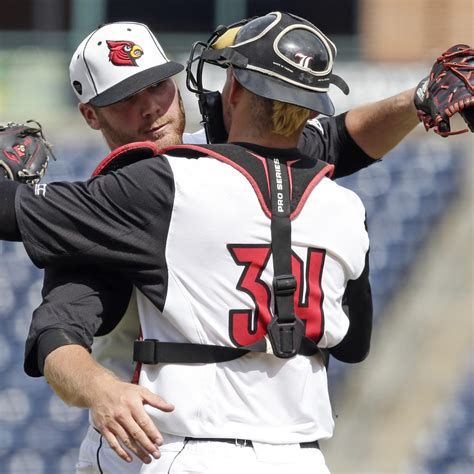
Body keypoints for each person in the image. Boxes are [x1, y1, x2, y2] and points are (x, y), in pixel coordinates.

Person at [13, 15, 428, 473]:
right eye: (125, 99)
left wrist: (420, 99)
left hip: (207, 448)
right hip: (164, 438)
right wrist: (98, 388)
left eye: (157, 86)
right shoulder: (119, 200)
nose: (151, 107)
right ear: (91, 115)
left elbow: (338, 138)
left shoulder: (186, 171)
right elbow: (57, 333)